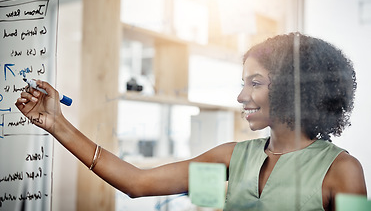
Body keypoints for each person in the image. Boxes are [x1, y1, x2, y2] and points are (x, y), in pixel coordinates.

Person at [16, 33, 367, 210]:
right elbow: (137, 183)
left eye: (255, 83)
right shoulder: (232, 158)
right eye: (242, 83)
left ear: (294, 89)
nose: (241, 97)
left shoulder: (343, 171)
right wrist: (57, 123)